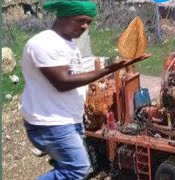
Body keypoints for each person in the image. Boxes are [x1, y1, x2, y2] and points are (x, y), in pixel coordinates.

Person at [21, 1, 149, 179]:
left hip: (67, 120)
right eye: (80, 20)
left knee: (68, 166)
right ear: (64, 16)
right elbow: (63, 82)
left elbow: (73, 79)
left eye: (88, 22)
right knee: (77, 168)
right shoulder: (44, 43)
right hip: (50, 122)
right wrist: (110, 69)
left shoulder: (69, 47)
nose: (84, 26)